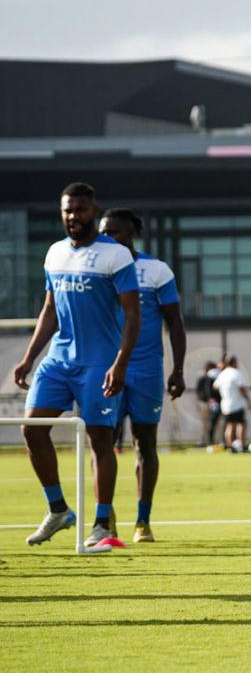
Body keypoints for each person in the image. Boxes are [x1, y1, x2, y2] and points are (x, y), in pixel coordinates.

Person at [13, 182, 140, 547]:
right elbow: (49, 310)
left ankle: (102, 523)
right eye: (68, 210)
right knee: (32, 430)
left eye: (81, 210)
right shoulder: (54, 253)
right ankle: (58, 510)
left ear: (93, 211)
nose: (74, 216)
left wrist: (120, 362)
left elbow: (133, 315)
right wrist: (29, 357)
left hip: (99, 361)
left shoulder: (114, 255)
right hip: (58, 359)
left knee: (100, 439)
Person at [100, 208, 186, 543]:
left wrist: (177, 369)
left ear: (132, 233)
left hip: (147, 370)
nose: (110, 239)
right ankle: (104, 518)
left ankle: (142, 520)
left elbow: (175, 321)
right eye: (105, 232)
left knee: (144, 444)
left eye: (117, 233)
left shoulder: (156, 270)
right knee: (103, 443)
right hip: (104, 368)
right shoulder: (97, 269)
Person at [214, 355, 251, 451]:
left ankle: (230, 447)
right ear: (234, 363)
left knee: (230, 425)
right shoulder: (237, 373)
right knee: (241, 424)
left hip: (225, 405)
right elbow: (241, 388)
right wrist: (248, 400)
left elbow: (215, 386)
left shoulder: (222, 374)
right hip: (237, 404)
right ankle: (242, 446)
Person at [195, 361, 220, 447]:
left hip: (214, 403)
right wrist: (207, 400)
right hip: (204, 404)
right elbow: (199, 392)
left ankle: (213, 440)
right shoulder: (203, 379)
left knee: (214, 423)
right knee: (205, 423)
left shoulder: (215, 378)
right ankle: (203, 441)